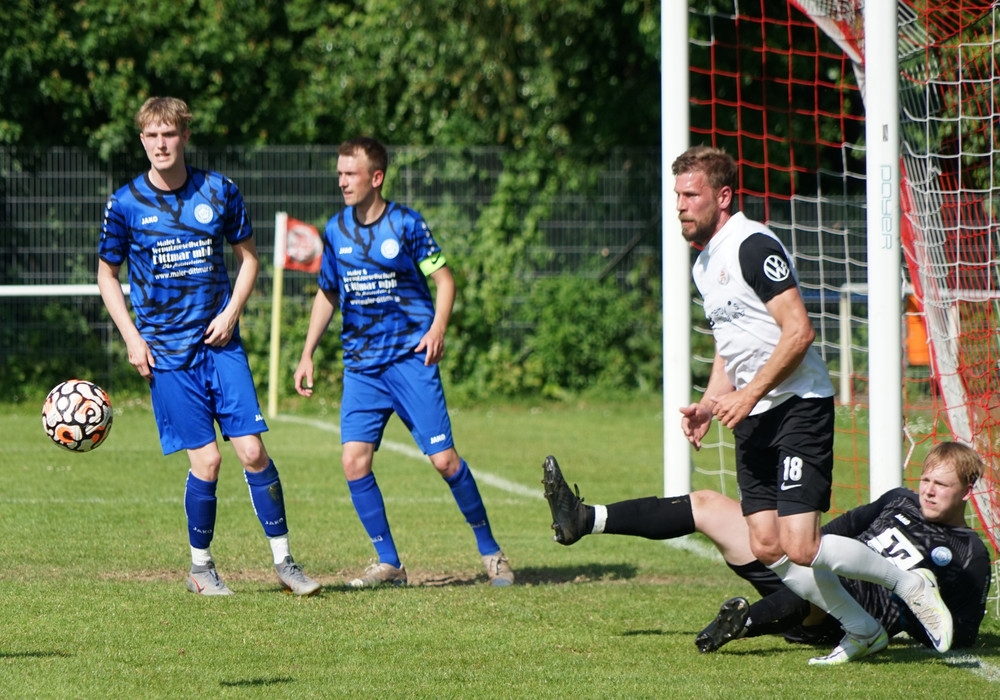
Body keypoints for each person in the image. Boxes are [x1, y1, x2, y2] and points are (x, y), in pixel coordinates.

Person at [671, 145, 952, 664]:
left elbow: (799, 331)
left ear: (723, 196)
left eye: (691, 194)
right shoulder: (704, 264)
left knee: (801, 544)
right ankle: (862, 628)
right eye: (678, 196)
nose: (681, 205)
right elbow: (730, 346)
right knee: (765, 544)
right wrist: (710, 403)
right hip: (752, 414)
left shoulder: (753, 245)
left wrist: (748, 393)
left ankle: (909, 582)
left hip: (798, 405)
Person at [97, 96, 320, 597]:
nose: (161, 144)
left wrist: (231, 313)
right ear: (142, 140)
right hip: (168, 356)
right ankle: (201, 569)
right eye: (152, 135)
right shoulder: (125, 203)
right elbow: (106, 274)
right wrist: (132, 337)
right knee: (208, 462)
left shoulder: (219, 191)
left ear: (184, 136)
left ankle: (285, 562)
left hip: (220, 346)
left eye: (169, 134)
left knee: (253, 451)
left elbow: (249, 259)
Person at [293, 136, 513, 587]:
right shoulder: (334, 230)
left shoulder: (406, 224)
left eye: (351, 174)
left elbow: (445, 280)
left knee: (444, 461)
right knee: (354, 462)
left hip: (410, 360)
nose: (342, 182)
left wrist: (437, 328)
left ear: (376, 177)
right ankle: (389, 562)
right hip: (362, 367)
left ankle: (491, 552)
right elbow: (328, 292)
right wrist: (307, 352)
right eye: (339, 174)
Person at [541, 442, 992, 656]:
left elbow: (962, 636)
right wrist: (793, 551)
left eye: (941, 485)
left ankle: (743, 623)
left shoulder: (970, 552)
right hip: (808, 571)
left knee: (812, 585)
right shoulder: (898, 500)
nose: (928, 490)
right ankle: (585, 519)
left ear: (968, 492)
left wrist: (906, 616)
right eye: (926, 479)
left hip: (846, 615)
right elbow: (836, 530)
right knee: (709, 505)